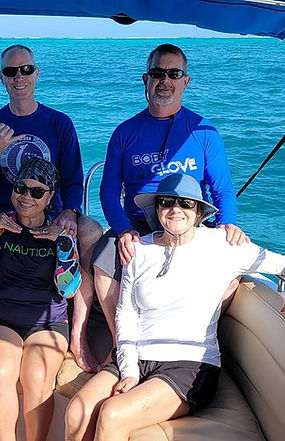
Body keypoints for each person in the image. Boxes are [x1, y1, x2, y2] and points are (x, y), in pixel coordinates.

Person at [66, 173, 285, 441]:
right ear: (156, 209)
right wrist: (129, 371)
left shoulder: (222, 246)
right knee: (77, 412)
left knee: (113, 414)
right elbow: (126, 315)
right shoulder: (139, 251)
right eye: (166, 202)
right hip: (137, 355)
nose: (176, 209)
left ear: (198, 213)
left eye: (186, 203)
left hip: (189, 364)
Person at [0, 44, 103, 373]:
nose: (19, 77)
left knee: (91, 230)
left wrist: (69, 211)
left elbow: (74, 179)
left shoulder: (59, 123)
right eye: (11, 71)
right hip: (4, 212)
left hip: (50, 212)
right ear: (1, 78)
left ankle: (78, 337)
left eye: (26, 70)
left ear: (36, 73)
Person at [92, 43, 249, 353]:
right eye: (157, 73)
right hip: (139, 225)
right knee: (103, 262)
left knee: (234, 268)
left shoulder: (204, 132)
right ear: (146, 79)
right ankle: (121, 345)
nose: (165, 80)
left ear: (185, 81)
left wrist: (227, 224)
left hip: (188, 222)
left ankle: (195, 338)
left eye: (174, 74)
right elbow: (108, 192)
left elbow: (223, 190)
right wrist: (123, 230)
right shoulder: (125, 132)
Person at [0, 158, 81, 441]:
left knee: (37, 377)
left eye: (37, 191)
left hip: (49, 323)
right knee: (1, 373)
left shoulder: (61, 234)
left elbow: (68, 289)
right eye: (21, 188)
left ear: (50, 197)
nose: (26, 196)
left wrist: (63, 243)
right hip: (0, 317)